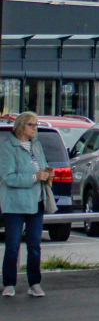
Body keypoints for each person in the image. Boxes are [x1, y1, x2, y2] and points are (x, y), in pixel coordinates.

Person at [1, 111, 52, 297]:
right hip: (15, 205)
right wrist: (34, 177)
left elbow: (42, 166)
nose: (35, 128)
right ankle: (8, 283)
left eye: (36, 124)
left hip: (36, 202)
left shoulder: (36, 146)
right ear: (21, 126)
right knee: (13, 245)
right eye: (31, 124)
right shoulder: (8, 148)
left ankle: (35, 283)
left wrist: (47, 174)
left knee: (34, 246)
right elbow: (8, 177)